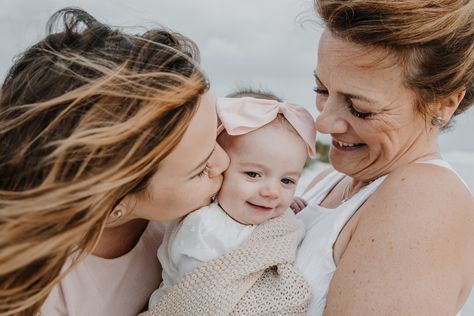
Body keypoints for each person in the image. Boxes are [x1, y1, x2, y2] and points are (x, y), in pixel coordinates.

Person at [0, 8, 230, 316]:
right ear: (112, 206)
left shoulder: (205, 217)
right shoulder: (42, 292)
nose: (226, 161)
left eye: (218, 136)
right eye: (201, 170)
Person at [295, 0, 474, 315]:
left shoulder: (425, 201)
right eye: (321, 89)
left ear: (443, 105)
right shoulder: (329, 180)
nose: (322, 122)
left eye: (360, 108)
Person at [146, 91, 316, 315]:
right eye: (254, 175)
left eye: (286, 180)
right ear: (216, 167)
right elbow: (202, 295)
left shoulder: (263, 214)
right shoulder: (204, 226)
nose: (272, 192)